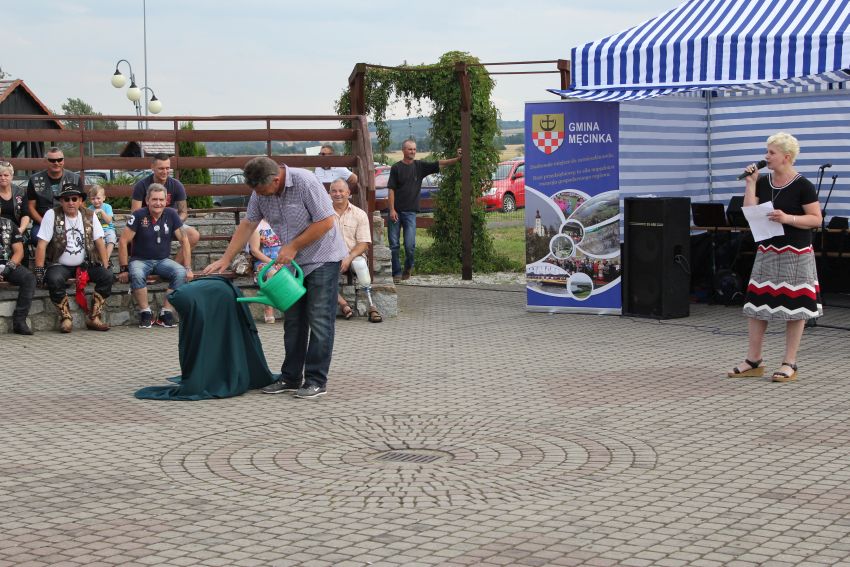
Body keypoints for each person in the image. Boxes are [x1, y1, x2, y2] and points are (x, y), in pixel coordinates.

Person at [203, 156, 348, 399]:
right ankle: (291, 377)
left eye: (263, 191)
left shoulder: (305, 181)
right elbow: (248, 224)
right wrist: (226, 258)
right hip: (293, 262)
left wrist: (293, 246)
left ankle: (316, 380)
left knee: (319, 320)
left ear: (276, 179)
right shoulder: (259, 191)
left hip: (323, 257)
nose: (261, 196)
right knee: (293, 321)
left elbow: (326, 221)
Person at [728, 132, 822, 383]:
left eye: (771, 153)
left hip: (796, 252)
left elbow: (816, 219)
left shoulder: (803, 185)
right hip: (768, 249)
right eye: (767, 152)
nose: (766, 157)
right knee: (757, 306)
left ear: (786, 157)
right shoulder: (763, 181)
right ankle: (754, 360)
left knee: (796, 308)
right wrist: (750, 183)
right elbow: (750, 213)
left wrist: (787, 218)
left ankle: (789, 362)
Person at [34, 184, 112, 333]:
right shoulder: (52, 214)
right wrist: (39, 270)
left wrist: (106, 263)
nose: (71, 202)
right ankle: (66, 317)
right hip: (59, 264)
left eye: (74, 199)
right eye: (66, 199)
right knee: (54, 278)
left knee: (107, 275)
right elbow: (42, 244)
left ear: (80, 200)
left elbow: (99, 241)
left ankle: (94, 317)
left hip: (85, 263)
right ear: (61, 201)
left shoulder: (90, 215)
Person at [118, 183, 193, 328]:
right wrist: (124, 269)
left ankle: (166, 313)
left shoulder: (172, 214)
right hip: (140, 260)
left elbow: (184, 240)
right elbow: (123, 241)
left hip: (162, 261)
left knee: (181, 272)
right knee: (137, 274)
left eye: (161, 199)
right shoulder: (138, 215)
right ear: (147, 200)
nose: (158, 203)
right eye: (154, 199)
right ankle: (145, 312)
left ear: (166, 201)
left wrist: (188, 267)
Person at [387, 139, 461, 283]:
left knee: (409, 245)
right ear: (403, 150)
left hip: (410, 213)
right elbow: (391, 190)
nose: (413, 152)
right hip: (396, 212)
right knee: (394, 245)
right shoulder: (396, 168)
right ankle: (396, 273)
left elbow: (440, 163)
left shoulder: (419, 166)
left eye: (414, 149)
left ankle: (408, 267)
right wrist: (391, 210)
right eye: (410, 149)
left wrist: (457, 159)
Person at [131, 153, 200, 268]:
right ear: (152, 167)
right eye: (161, 168)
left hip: (170, 223)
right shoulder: (141, 185)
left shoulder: (177, 185)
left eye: (168, 168)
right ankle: (145, 267)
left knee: (194, 235)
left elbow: (183, 212)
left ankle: (172, 267)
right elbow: (135, 212)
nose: (165, 171)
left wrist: (174, 222)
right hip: (146, 223)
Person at [329, 178, 382, 323]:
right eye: (334, 191)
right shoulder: (324, 214)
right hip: (330, 256)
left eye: (341, 191)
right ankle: (343, 304)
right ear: (329, 193)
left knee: (360, 264)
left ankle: (372, 305)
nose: (337, 194)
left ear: (348, 193)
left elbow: (364, 243)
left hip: (353, 255)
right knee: (321, 272)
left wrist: (348, 258)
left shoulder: (359, 214)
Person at [27, 147, 82, 240]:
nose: (56, 163)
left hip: (70, 221)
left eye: (59, 160)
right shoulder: (34, 180)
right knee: (37, 237)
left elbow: (81, 204)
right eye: (52, 160)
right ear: (46, 161)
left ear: (63, 161)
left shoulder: (75, 179)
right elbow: (31, 207)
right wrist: (44, 223)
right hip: (42, 222)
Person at [0, 214, 36, 335]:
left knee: (29, 278)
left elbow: (19, 252)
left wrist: (7, 270)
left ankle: (20, 321)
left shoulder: (8, 224)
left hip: (7, 265)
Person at [248, 219, 282, 324]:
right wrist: (273, 263)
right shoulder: (256, 226)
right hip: (263, 263)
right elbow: (255, 251)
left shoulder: (282, 222)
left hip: (283, 260)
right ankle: (268, 308)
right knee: (273, 273)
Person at [0, 161, 31, 236]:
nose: (3, 178)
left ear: (12, 176)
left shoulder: (20, 192)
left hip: (16, 229)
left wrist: (20, 230)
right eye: (0, 175)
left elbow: (25, 214)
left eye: (6, 175)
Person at [87, 185, 117, 261]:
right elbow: (88, 223)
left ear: (104, 198)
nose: (96, 201)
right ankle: (101, 259)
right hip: (96, 231)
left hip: (108, 229)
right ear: (90, 200)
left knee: (111, 238)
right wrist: (92, 215)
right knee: (99, 242)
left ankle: (106, 259)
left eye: (98, 198)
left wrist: (101, 211)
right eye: (93, 199)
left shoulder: (107, 207)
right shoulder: (89, 209)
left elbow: (109, 221)